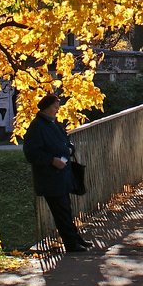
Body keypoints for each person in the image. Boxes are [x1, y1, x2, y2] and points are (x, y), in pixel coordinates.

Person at [22, 93, 91, 253]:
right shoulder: (37, 127)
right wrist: (51, 160)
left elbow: (66, 141)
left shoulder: (54, 124)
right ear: (47, 108)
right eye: (55, 107)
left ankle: (75, 239)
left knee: (66, 209)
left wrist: (69, 148)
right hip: (50, 178)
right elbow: (31, 153)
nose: (57, 109)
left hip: (61, 175)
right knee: (61, 211)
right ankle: (71, 244)